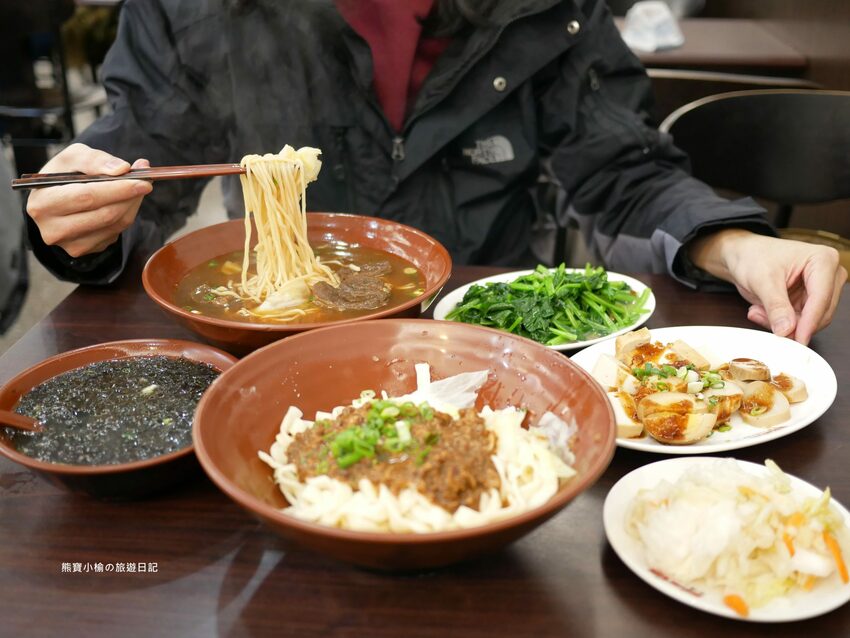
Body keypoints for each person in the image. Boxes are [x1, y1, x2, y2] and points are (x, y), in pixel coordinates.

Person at [23, 0, 846, 345]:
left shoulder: (544, 9)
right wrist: (85, 219)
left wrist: (736, 245)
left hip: (486, 339)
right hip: (270, 340)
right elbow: (139, 163)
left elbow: (622, 170)